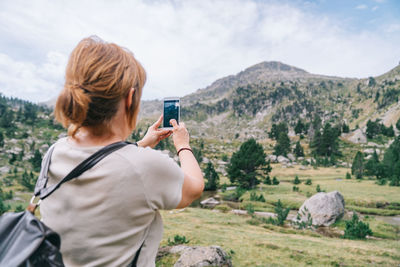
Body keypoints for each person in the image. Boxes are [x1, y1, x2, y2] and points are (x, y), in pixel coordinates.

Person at [40, 36, 204, 267]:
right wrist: (182, 144)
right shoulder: (144, 166)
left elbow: (104, 163)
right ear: (129, 99)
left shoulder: (54, 152)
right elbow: (194, 188)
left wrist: (142, 144)